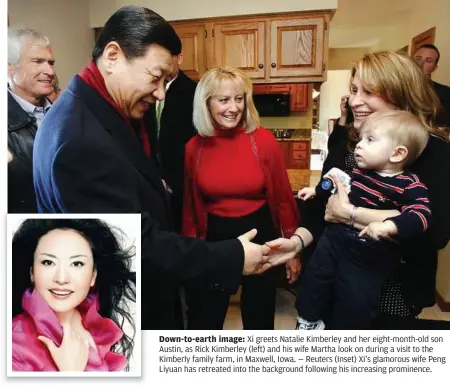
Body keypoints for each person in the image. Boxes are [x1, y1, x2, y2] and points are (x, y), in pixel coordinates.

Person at [32, 6, 294, 330]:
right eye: (155, 78)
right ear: (113, 55)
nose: (159, 93)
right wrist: (234, 258)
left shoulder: (98, 112)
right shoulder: (81, 138)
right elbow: (136, 244)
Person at [267, 51, 450, 330]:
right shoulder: (350, 145)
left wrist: (350, 214)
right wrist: (296, 243)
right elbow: (320, 209)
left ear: (401, 96)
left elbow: (434, 230)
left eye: (369, 92)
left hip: (390, 288)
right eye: (354, 90)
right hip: (332, 277)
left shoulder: (429, 148)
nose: (354, 101)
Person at [182, 66, 300, 330]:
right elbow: (191, 206)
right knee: (206, 316)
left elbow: (282, 198)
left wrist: (292, 249)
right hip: (216, 236)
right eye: (223, 100)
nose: (233, 108)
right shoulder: (194, 148)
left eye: (239, 99)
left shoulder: (264, 141)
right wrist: (190, 253)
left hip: (260, 231)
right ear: (207, 103)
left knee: (259, 314)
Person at [296, 110, 431, 329]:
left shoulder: (410, 185)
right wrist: (317, 190)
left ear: (397, 154)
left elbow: (421, 216)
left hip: (368, 254)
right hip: (333, 239)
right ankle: (308, 321)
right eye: (360, 139)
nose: (359, 145)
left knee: (355, 300)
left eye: (370, 140)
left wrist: (389, 226)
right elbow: (336, 179)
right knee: (314, 279)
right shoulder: (359, 171)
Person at [12, 219, 136, 372]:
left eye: (77, 264)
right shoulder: (14, 345)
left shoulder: (96, 325)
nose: (61, 278)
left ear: (93, 276)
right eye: (48, 262)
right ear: (32, 272)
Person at [144, 52, 197, 233]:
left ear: (179, 59)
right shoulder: (144, 88)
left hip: (183, 180)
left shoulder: (194, 92)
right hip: (151, 178)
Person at [8, 27, 55, 213]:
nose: (50, 71)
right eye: (37, 61)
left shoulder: (67, 115)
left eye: (51, 63)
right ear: (9, 67)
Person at [413, 44, 450, 128]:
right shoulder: (397, 87)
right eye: (418, 58)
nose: (420, 64)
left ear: (434, 68)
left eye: (428, 61)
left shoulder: (445, 92)